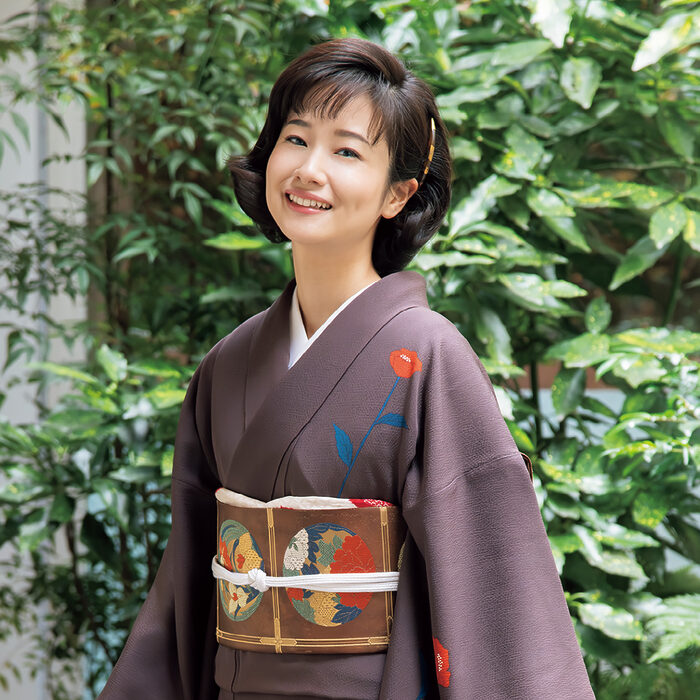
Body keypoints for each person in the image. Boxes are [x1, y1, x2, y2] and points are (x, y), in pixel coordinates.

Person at [98, 37, 595, 699]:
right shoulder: (228, 363)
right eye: (296, 139)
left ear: (398, 193)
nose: (309, 169)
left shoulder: (427, 357)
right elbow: (185, 587)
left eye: (347, 151)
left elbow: (493, 579)